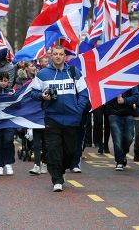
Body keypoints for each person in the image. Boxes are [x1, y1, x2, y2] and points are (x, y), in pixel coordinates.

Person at [31, 45, 89, 192]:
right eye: (55, 54)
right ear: (51, 56)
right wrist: (42, 96)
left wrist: (78, 109)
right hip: (52, 118)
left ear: (65, 56)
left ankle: (61, 171)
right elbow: (33, 93)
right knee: (53, 149)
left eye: (61, 54)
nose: (58, 56)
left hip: (72, 119)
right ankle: (56, 179)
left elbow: (84, 93)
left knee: (70, 151)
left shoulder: (74, 72)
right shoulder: (43, 73)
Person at [105, 87, 139, 171]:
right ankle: (119, 161)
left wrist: (125, 100)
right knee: (117, 138)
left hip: (128, 113)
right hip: (113, 113)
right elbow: (104, 97)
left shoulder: (131, 80)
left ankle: (123, 153)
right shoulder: (110, 81)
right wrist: (115, 96)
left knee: (129, 137)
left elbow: (136, 96)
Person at [0, 71, 16, 176]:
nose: (3, 83)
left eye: (5, 81)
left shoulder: (12, 91)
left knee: (8, 140)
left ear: (8, 81)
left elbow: (17, 104)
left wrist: (12, 97)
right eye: (1, 80)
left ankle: (8, 164)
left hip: (8, 121)